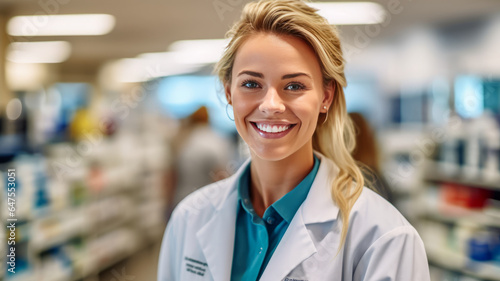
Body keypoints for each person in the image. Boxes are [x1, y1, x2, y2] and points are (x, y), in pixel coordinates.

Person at [158, 0, 430, 280]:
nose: (271, 105)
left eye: (294, 86)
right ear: (229, 92)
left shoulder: (382, 237)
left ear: (326, 97)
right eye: (251, 84)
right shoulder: (190, 218)